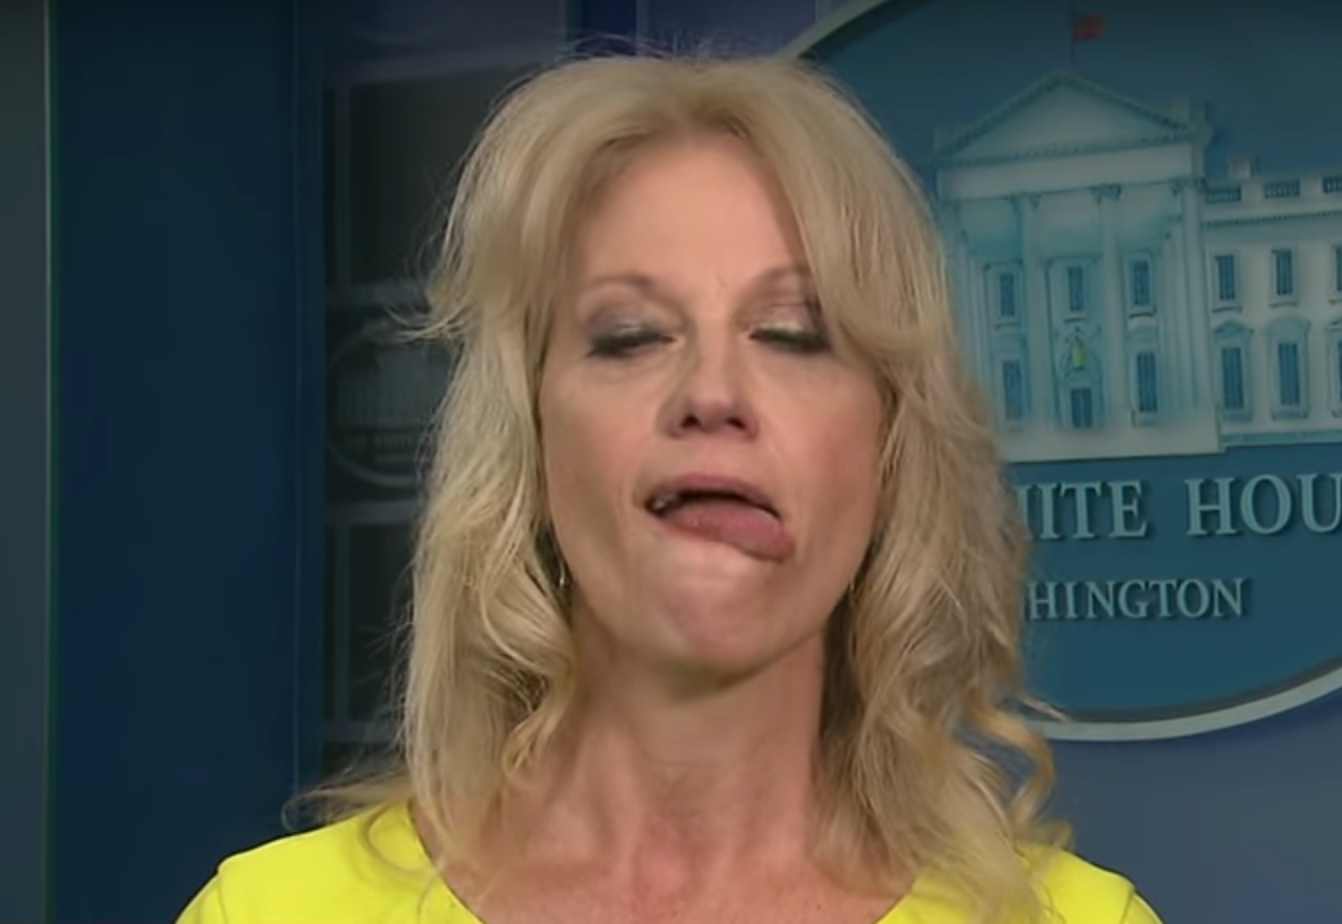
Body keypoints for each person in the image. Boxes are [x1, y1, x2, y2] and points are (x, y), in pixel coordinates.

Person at [177, 52, 1163, 924]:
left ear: (889, 454)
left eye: (791, 334)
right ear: (533, 443)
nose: (712, 393)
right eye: (631, 336)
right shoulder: (268, 914)